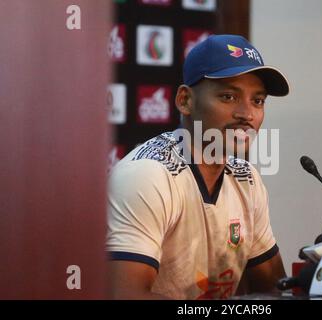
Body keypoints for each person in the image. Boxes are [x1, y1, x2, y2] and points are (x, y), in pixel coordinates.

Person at [106, 34, 290, 299]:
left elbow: (274, 288)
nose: (247, 114)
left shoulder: (246, 179)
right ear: (185, 101)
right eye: (228, 96)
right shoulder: (147, 175)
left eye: (257, 101)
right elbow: (125, 295)